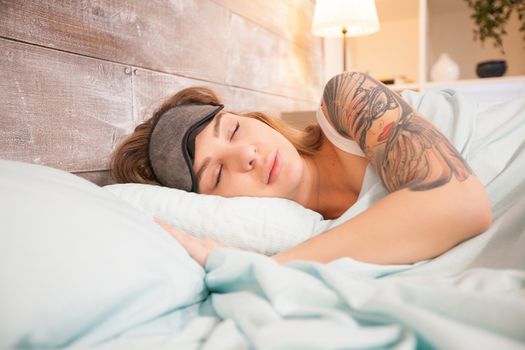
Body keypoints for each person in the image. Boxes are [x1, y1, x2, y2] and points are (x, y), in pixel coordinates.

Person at [111, 71, 492, 267]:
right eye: (217, 174)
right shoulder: (314, 233)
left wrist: (274, 267)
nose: (245, 154)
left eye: (234, 129)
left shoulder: (346, 99)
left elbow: (459, 201)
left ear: (254, 118)